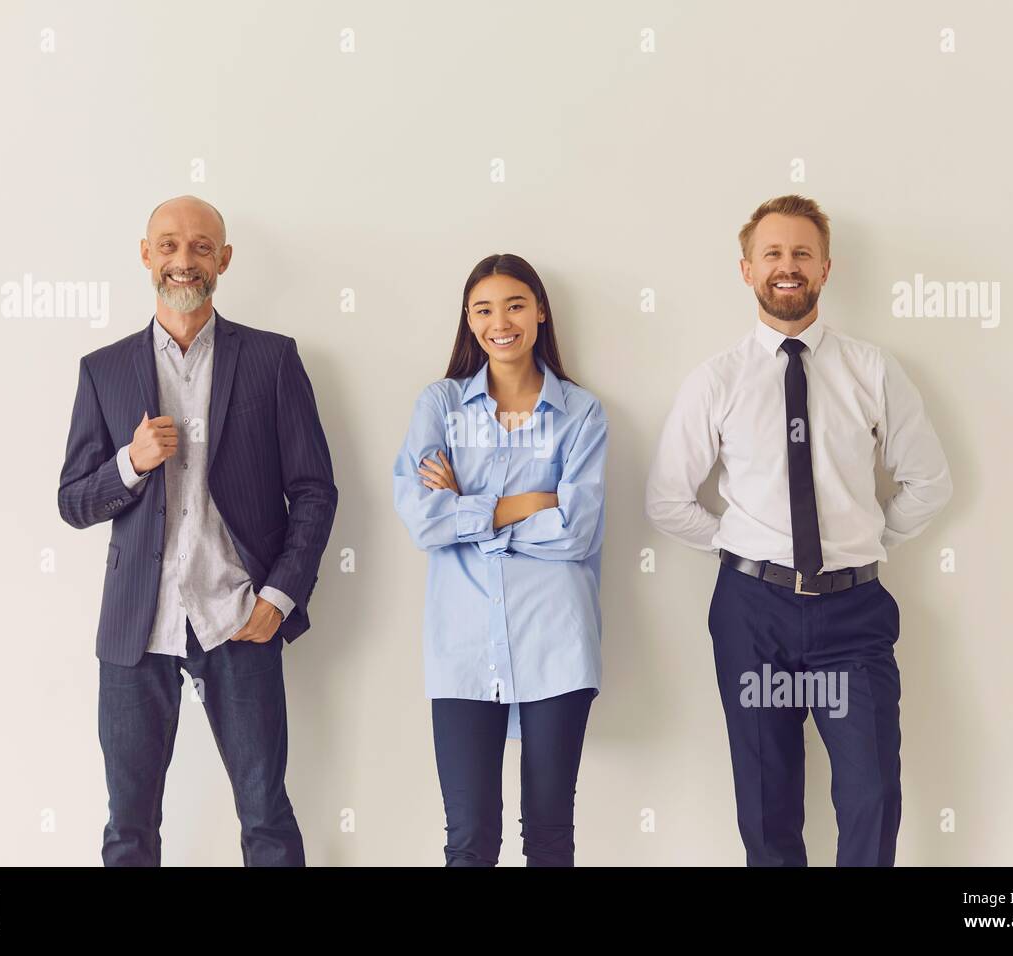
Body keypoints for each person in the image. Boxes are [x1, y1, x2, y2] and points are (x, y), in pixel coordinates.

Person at [645, 195, 952, 866]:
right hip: (752, 616)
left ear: (826, 268)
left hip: (854, 616)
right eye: (773, 254)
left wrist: (861, 544)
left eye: (802, 254)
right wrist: (745, 549)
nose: (788, 266)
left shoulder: (871, 370)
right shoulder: (716, 381)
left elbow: (929, 482)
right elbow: (667, 500)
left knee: (871, 799)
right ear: (747, 270)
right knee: (766, 806)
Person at [57, 195, 338, 866]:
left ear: (224, 259)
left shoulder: (272, 360)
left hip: (238, 619)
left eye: (202, 247)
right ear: (147, 254)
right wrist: (130, 463)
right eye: (171, 246)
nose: (185, 261)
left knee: (266, 814)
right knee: (129, 827)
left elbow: (314, 491)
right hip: (136, 631)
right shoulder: (102, 371)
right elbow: (72, 501)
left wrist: (279, 597)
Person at [392, 254, 608, 866]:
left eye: (515, 305)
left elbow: (576, 532)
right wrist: (530, 503)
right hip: (461, 649)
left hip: (556, 643)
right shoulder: (440, 405)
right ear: (469, 319)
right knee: (469, 841)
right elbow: (421, 519)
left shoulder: (582, 414)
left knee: (548, 838)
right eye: (484, 309)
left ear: (540, 311)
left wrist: (468, 507)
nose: (501, 322)